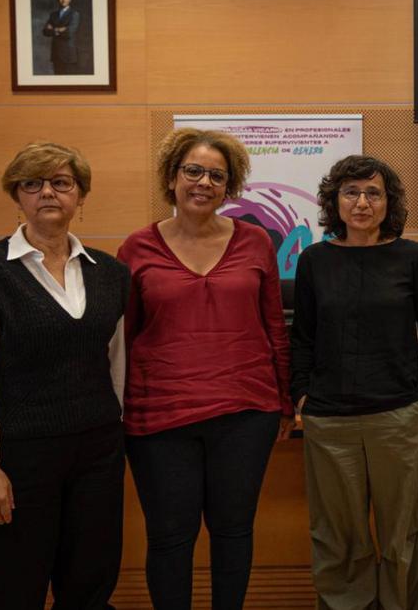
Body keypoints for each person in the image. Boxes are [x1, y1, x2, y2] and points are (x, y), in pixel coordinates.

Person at [0, 142, 130, 608]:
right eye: (33, 183)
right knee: (11, 589)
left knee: (89, 586)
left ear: (80, 196)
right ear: (17, 196)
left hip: (96, 457)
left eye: (61, 183)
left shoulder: (110, 274)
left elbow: (116, 365)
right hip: (17, 459)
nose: (48, 192)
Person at [118, 128, 294, 610]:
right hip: (158, 417)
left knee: (234, 531)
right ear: (172, 178)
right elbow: (122, 338)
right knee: (170, 536)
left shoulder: (256, 241)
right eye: (192, 171)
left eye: (217, 175)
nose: (203, 182)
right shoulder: (136, 248)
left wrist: (283, 400)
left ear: (229, 185)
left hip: (246, 412)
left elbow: (274, 326)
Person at [291, 154, 418, 610]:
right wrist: (302, 395)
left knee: (403, 537)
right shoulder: (314, 261)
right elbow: (302, 337)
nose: (362, 202)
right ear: (333, 202)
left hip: (397, 418)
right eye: (351, 192)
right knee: (338, 538)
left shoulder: (413, 257)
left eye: (373, 193)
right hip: (329, 422)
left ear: (388, 201)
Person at [42, 0, 80, 75]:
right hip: (56, 54)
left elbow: (69, 33)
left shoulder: (74, 14)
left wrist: (53, 29)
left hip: (68, 55)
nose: (63, 0)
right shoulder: (53, 14)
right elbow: (45, 32)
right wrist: (59, 29)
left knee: (69, 83)